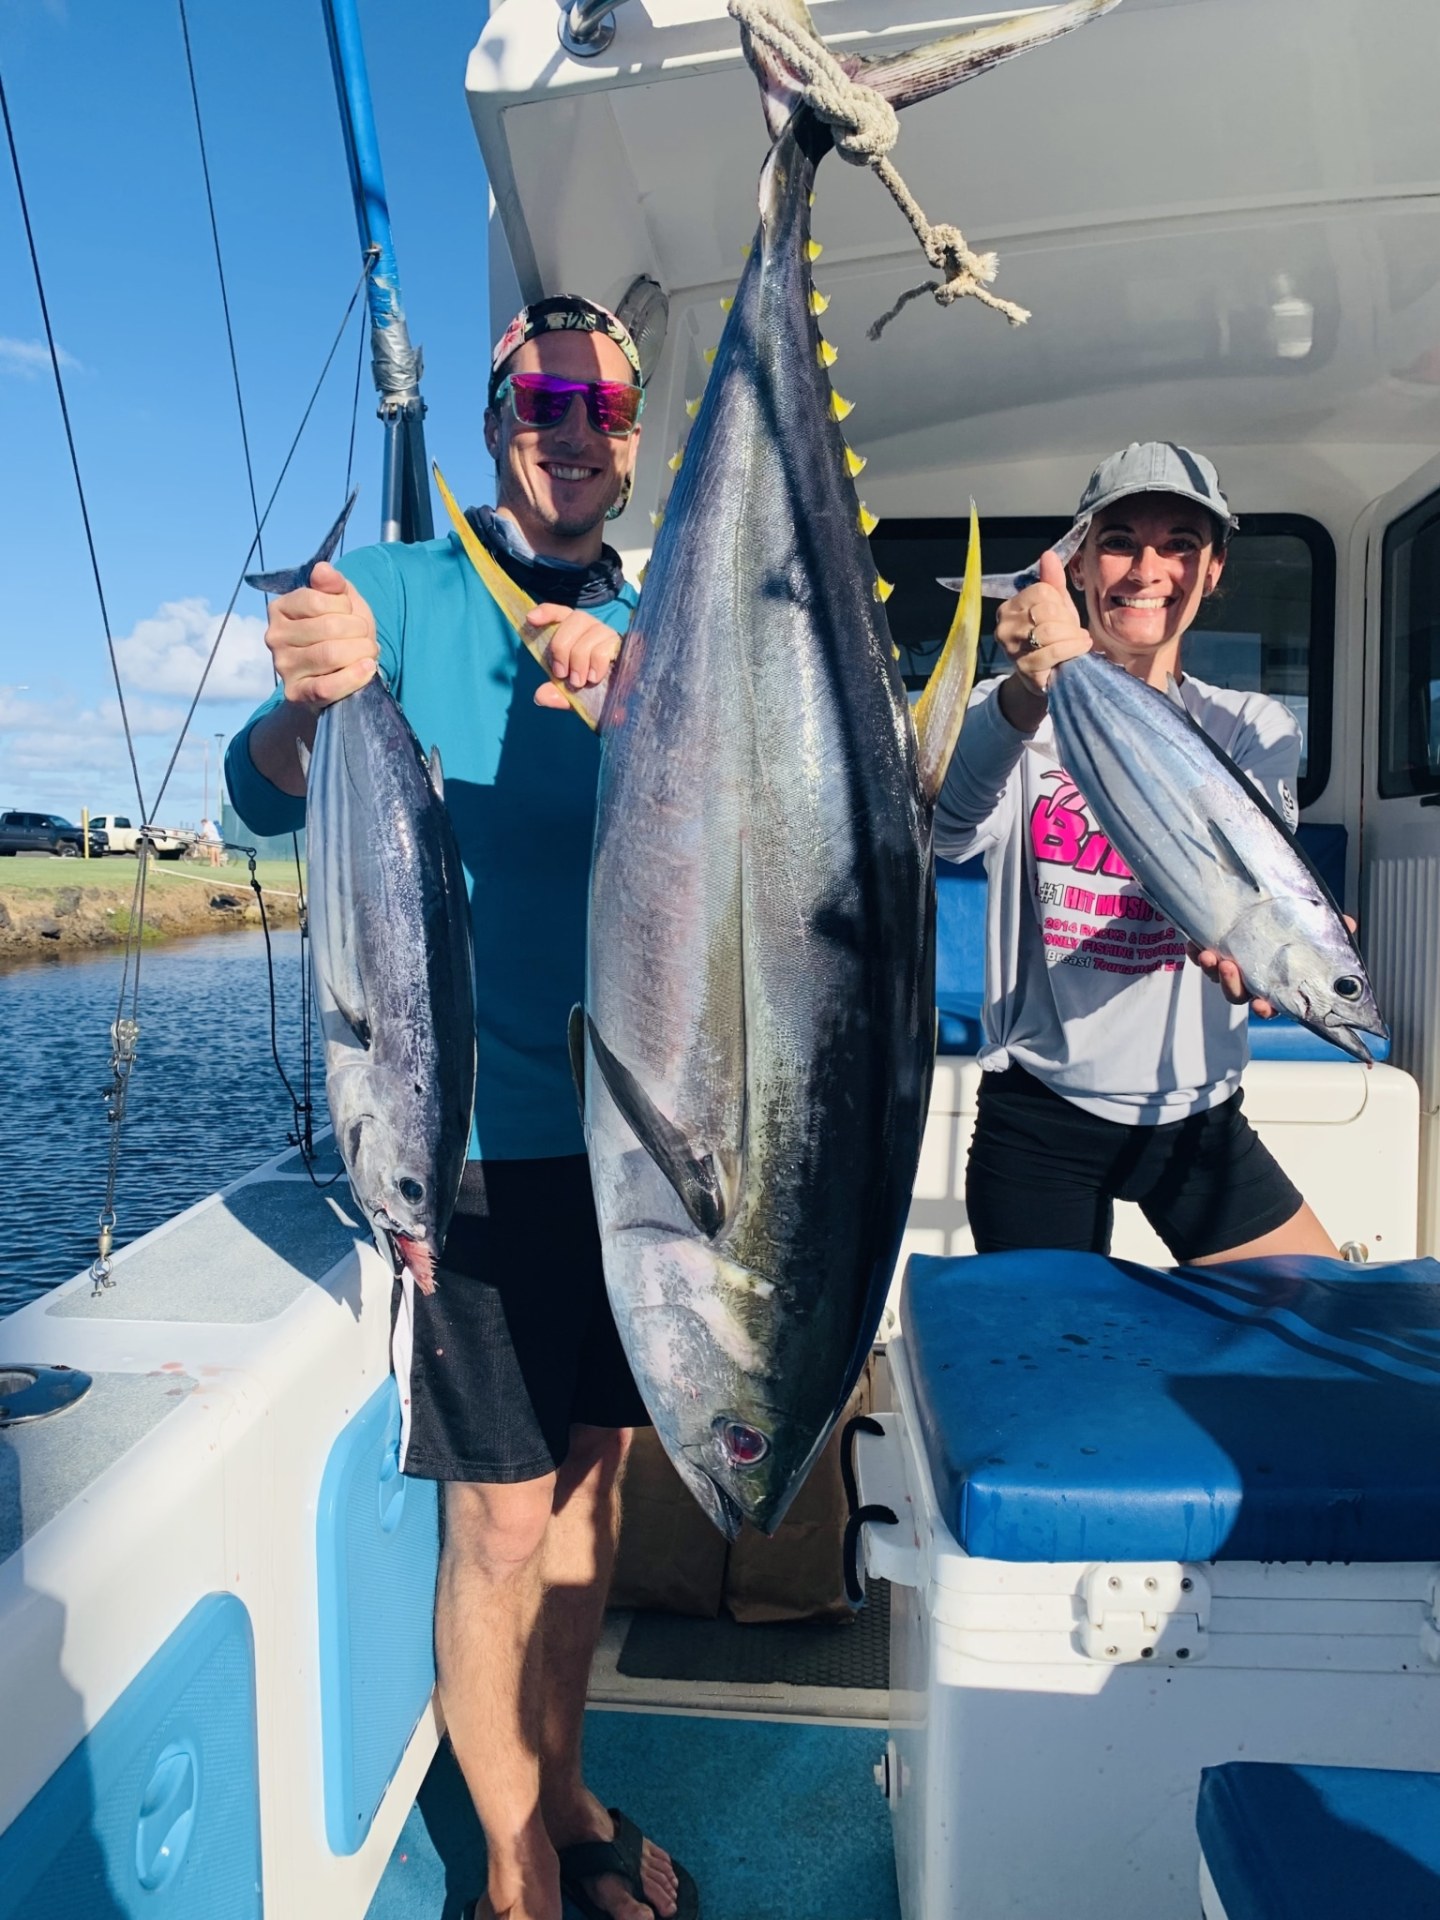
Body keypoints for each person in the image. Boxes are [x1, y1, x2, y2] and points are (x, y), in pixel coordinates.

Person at [225, 295, 696, 1920]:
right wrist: (308, 696)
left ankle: (563, 1791)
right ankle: (509, 1862)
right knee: (499, 1522)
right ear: (502, 418)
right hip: (473, 1142)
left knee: (591, 1489)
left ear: (634, 437)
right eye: (547, 395)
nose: (577, 424)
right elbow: (252, 794)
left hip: (642, 1154)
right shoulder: (409, 593)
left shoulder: (663, 618)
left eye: (608, 403)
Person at [936, 441, 1343, 1265]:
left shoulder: (1254, 727)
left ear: (1214, 569)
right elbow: (947, 829)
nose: (1146, 568)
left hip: (1199, 1117)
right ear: (1079, 565)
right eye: (1119, 540)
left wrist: (1284, 942)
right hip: (1040, 1113)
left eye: (1180, 545)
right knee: (1051, 1380)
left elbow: (1252, 878)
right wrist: (1025, 690)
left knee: (1320, 1322)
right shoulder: (1009, 709)